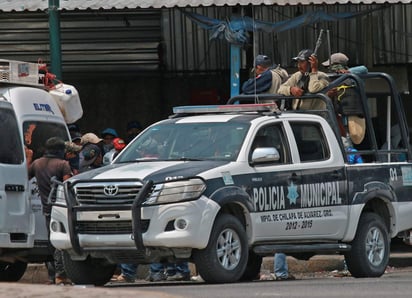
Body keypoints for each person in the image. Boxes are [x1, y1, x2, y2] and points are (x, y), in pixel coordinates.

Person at [28, 137, 73, 285]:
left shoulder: (37, 163)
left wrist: (28, 157)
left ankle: (53, 276)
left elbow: (25, 176)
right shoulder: (63, 164)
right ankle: (61, 275)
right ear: (60, 151)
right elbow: (67, 187)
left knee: (51, 242)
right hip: (61, 209)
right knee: (62, 243)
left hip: (47, 209)